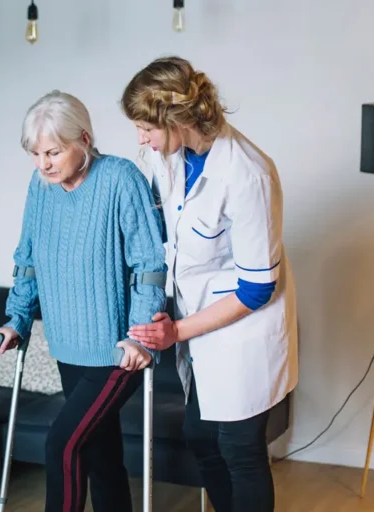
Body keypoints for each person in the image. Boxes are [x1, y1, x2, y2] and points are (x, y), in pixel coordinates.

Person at [120, 56, 299, 512]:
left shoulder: (247, 173)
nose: (140, 138)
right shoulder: (173, 158)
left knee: (240, 448)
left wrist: (176, 331)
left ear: (176, 118)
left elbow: (257, 288)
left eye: (146, 127)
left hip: (244, 330)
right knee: (200, 436)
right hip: (202, 329)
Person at [0, 90, 168, 512]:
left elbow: (150, 264)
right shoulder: (40, 186)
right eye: (35, 153)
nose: (43, 163)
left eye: (52, 151)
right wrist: (16, 317)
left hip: (117, 350)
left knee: (62, 443)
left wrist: (140, 337)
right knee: (99, 452)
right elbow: (28, 260)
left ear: (84, 139)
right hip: (67, 345)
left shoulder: (121, 178)